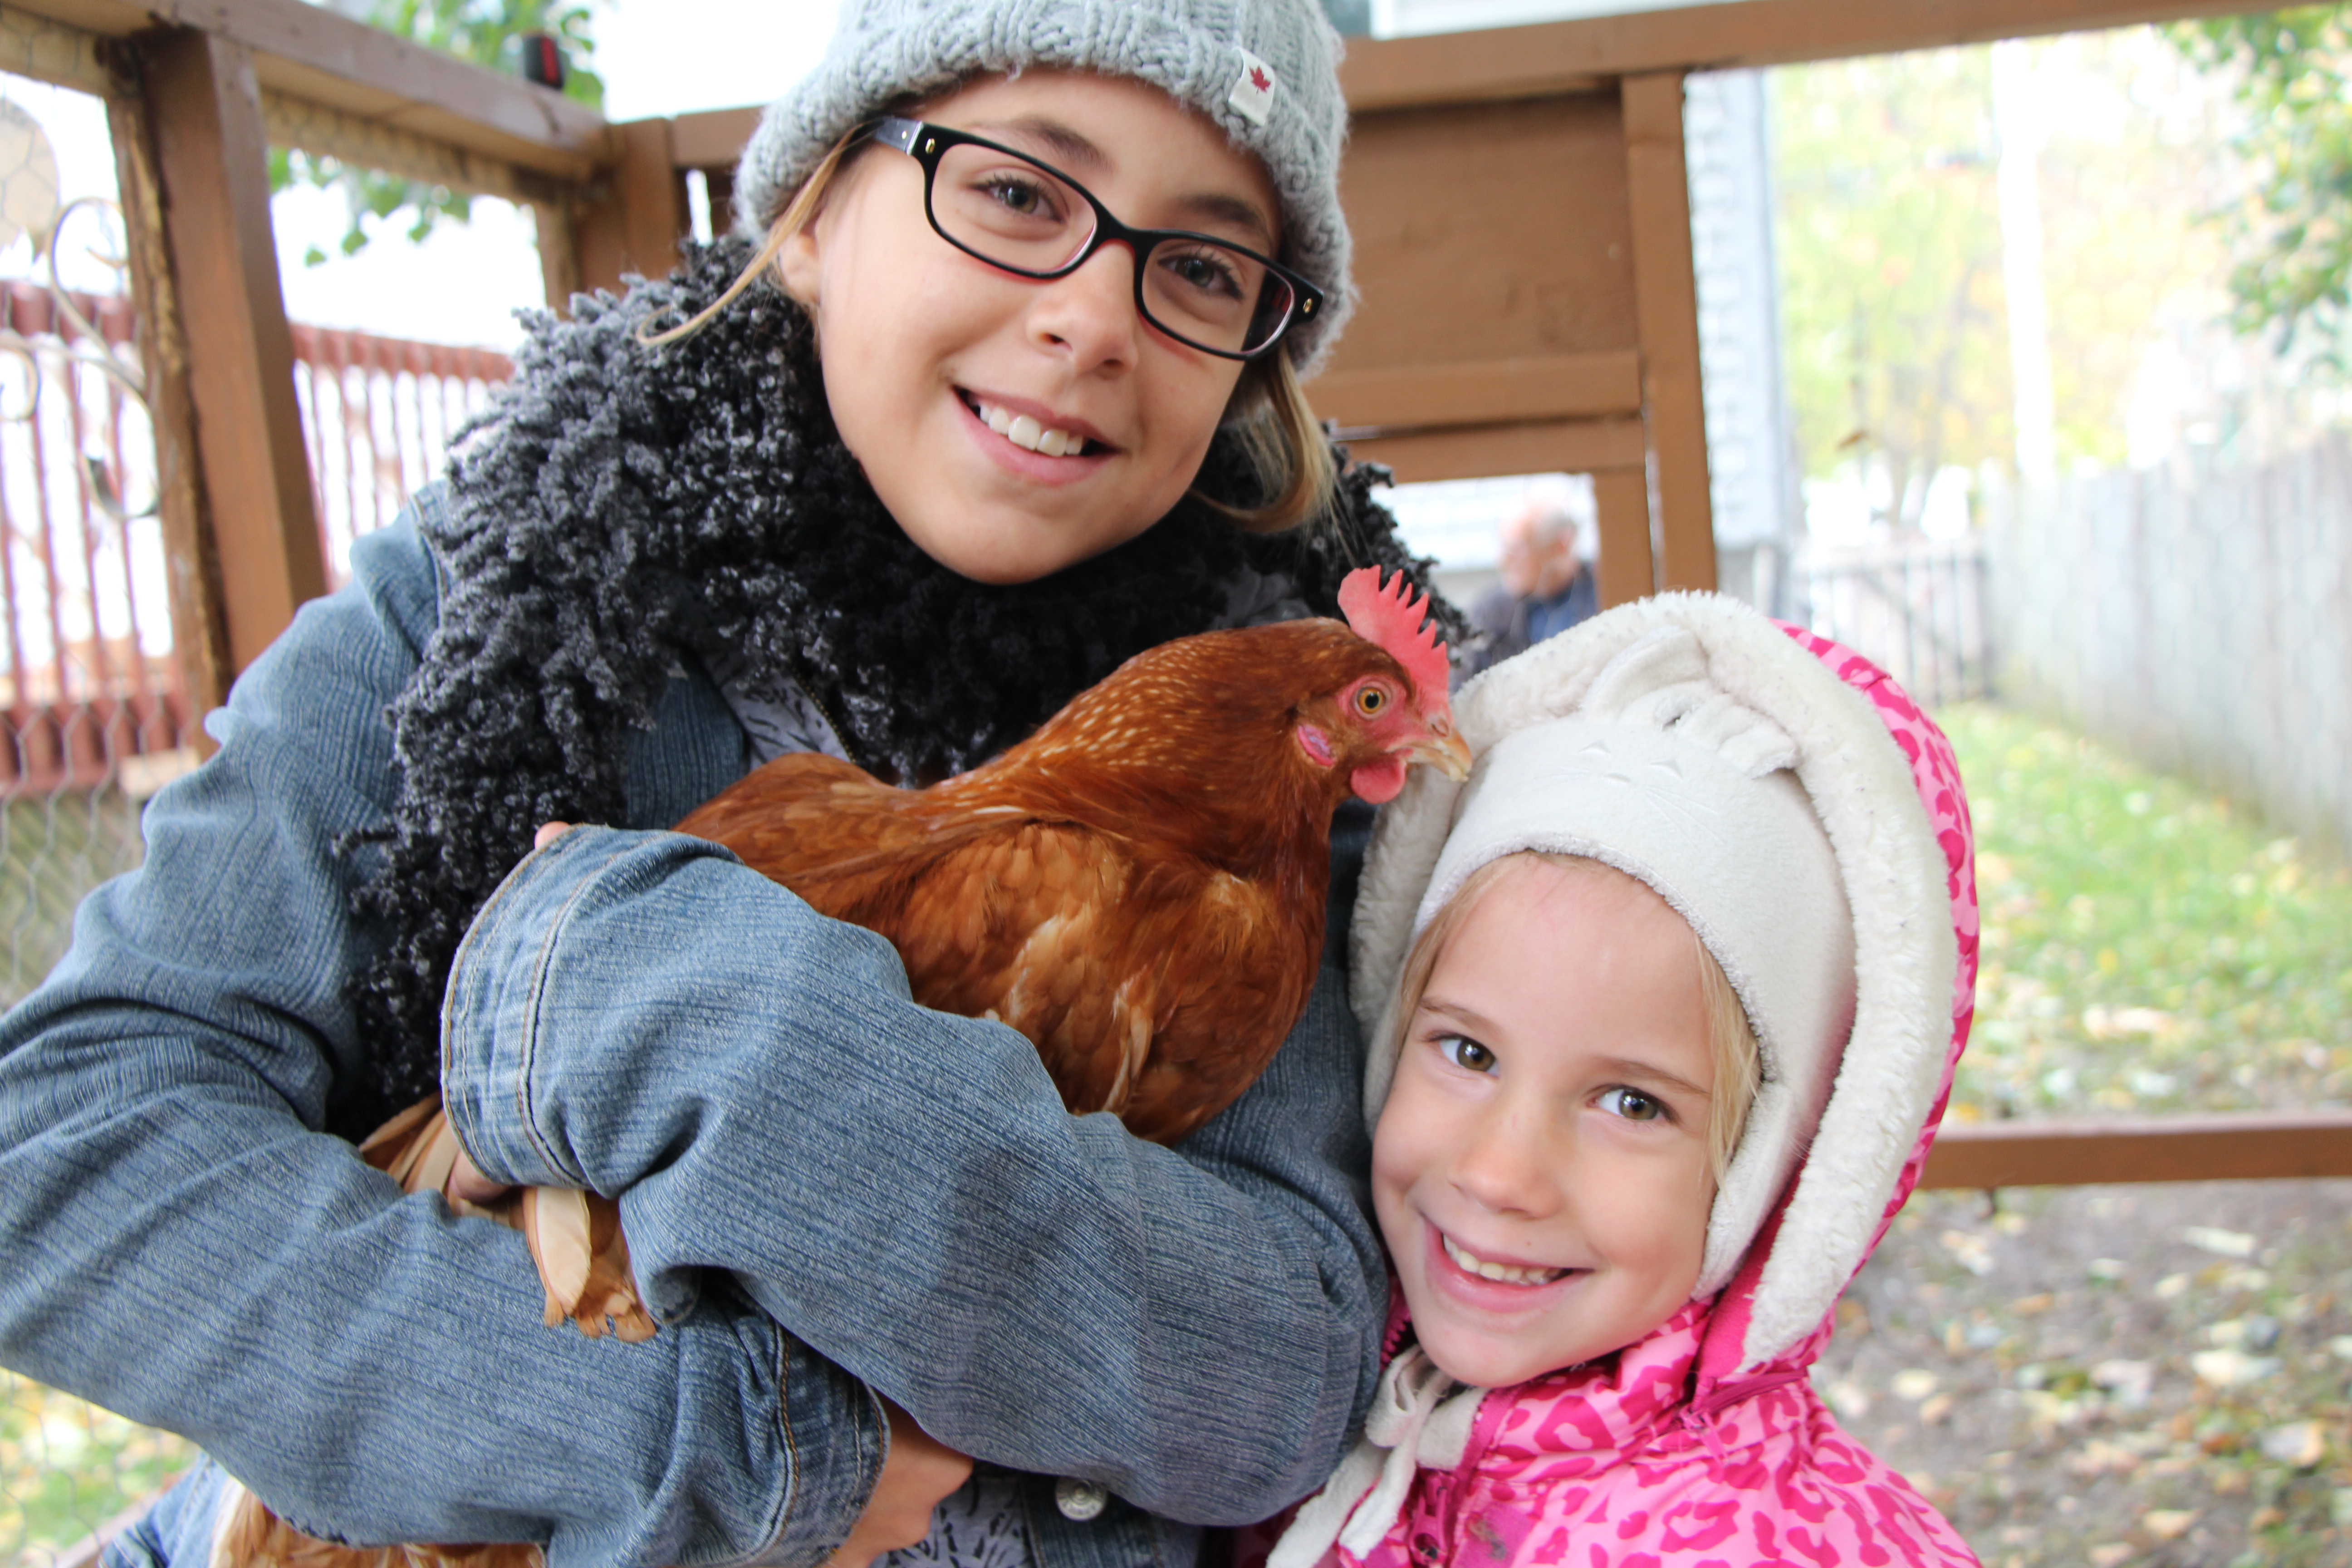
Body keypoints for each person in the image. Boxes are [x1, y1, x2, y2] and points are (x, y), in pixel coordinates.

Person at [0, 4, 1448, 1566]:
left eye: (1202, 267)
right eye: (1020, 192)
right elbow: (68, 1145)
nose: (1098, 317)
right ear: (820, 208)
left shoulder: (1285, 752)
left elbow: (1269, 1368)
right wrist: (717, 1439)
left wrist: (703, 1019)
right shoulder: (490, 595)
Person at [1259, 593, 1983, 1566]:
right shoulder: (1292, 1418)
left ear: (1777, 1172)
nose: (1501, 1175)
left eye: (1632, 1102)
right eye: (1468, 1052)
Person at [1457, 491, 1597, 683]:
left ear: (1560, 546)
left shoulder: (1602, 594)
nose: (1504, 561)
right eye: (1504, 548)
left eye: (1516, 550)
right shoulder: (1489, 613)